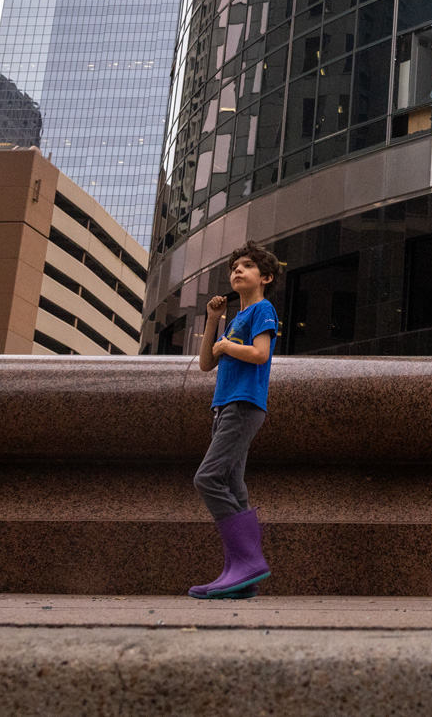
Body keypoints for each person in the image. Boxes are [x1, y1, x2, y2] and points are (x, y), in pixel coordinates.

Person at [188, 240, 281, 600]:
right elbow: (205, 364)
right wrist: (213, 321)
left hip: (244, 405)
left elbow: (260, 354)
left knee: (207, 478)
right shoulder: (235, 318)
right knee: (234, 488)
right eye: (234, 267)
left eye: (247, 266)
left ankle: (247, 562)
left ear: (266, 277)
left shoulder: (263, 309)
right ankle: (241, 577)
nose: (237, 271)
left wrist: (228, 346)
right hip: (225, 406)